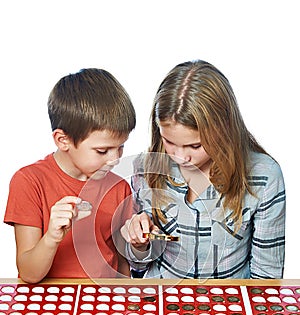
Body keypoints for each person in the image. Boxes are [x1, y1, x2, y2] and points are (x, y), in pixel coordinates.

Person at [121, 60, 285, 279]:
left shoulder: (264, 176)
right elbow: (139, 269)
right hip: (164, 303)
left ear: (223, 130)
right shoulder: (145, 168)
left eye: (195, 145)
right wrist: (139, 245)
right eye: (169, 141)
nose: (180, 157)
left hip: (229, 307)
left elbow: (266, 278)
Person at [4, 68, 136, 283]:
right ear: (62, 140)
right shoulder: (29, 182)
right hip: (48, 304)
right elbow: (28, 273)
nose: (114, 159)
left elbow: (122, 263)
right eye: (102, 151)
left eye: (120, 147)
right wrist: (52, 237)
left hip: (106, 301)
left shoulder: (119, 187)